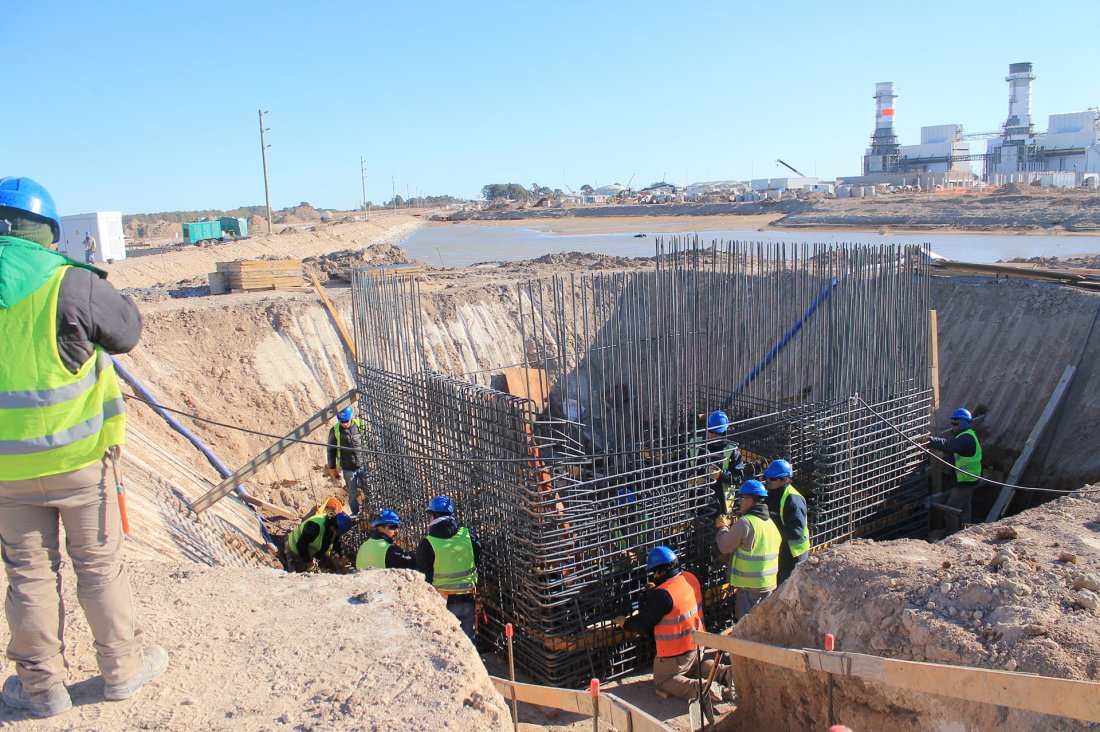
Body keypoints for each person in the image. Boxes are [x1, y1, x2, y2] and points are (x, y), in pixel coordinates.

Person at [0, 176, 166, 718]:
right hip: (79, 463)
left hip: (7, 473)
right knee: (98, 569)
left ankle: (41, 689)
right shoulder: (69, 284)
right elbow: (126, 331)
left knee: (28, 576)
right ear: (47, 232)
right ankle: (121, 670)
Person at [615, 546, 731, 705]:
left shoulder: (663, 595)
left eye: (655, 573)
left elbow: (643, 623)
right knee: (694, 668)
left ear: (660, 572)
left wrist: (625, 623)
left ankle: (704, 689)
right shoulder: (690, 578)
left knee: (663, 679)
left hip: (676, 653)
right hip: (697, 645)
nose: (654, 576)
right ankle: (728, 674)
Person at [415, 496, 482, 644]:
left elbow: (423, 575)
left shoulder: (428, 543)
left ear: (433, 516)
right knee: (469, 643)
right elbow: (477, 558)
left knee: (447, 644)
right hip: (468, 599)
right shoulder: (468, 536)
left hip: (443, 602)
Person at [717, 480, 782, 620]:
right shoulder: (770, 523)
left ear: (750, 500)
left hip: (750, 586)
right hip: (768, 584)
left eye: (741, 498)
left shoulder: (746, 523)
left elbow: (725, 546)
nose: (739, 502)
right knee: (762, 624)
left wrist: (722, 527)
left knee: (746, 626)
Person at [928, 407, 982, 533]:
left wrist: (929, 441)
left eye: (955, 422)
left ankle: (952, 535)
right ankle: (967, 532)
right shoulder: (966, 435)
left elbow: (949, 445)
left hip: (965, 481)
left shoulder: (966, 438)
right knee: (965, 507)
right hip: (969, 479)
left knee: (950, 510)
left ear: (962, 422)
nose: (952, 425)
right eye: (952, 422)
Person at [689, 410, 749, 516]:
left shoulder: (732, 451)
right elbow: (682, 468)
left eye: (718, 433)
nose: (714, 436)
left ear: (724, 432)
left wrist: (721, 475)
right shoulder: (694, 444)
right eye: (711, 432)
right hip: (696, 503)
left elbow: (738, 478)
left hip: (721, 507)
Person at [761, 459, 809, 584]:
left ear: (785, 479)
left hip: (793, 555)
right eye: (767, 477)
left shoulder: (793, 500)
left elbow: (796, 531)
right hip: (781, 550)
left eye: (772, 479)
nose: (768, 481)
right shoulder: (772, 493)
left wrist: (771, 533)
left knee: (788, 588)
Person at [326, 406, 367, 516]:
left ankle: (368, 510)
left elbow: (368, 440)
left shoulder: (360, 425)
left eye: (346, 421)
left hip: (362, 464)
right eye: (342, 422)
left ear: (351, 418)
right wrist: (332, 468)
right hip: (348, 467)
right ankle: (355, 514)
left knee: (368, 490)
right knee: (353, 494)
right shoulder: (334, 431)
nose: (344, 424)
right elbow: (331, 451)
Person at [285, 511, 354, 573]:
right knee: (304, 575)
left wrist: (341, 556)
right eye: (336, 531)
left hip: (312, 549)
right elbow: (301, 545)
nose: (336, 533)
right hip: (295, 549)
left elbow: (337, 542)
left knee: (329, 564)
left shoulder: (334, 526)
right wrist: (309, 562)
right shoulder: (315, 526)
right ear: (334, 526)